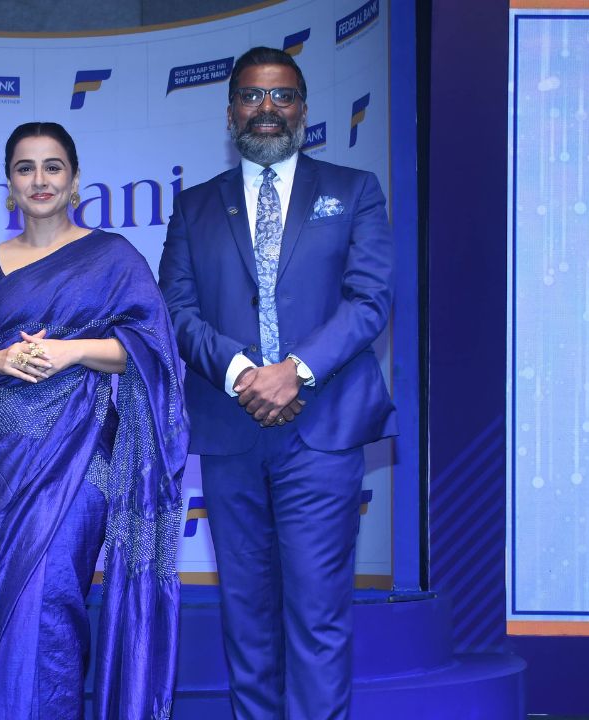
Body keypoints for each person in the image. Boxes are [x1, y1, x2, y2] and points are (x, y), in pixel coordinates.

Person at [158, 46, 396, 719]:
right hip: (233, 434)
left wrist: (293, 372)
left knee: (317, 619)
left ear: (305, 109)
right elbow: (173, 309)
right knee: (246, 619)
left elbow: (371, 299)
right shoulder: (195, 208)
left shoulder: (354, 192)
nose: (268, 109)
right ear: (230, 109)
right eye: (253, 96)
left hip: (321, 433)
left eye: (283, 95)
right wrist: (241, 373)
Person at [0, 121, 187, 719]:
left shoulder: (112, 257)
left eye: (53, 167)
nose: (40, 179)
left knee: (53, 599)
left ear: (75, 179)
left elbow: (152, 350)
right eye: (25, 168)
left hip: (77, 456)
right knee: (4, 607)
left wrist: (74, 351)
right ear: (9, 184)